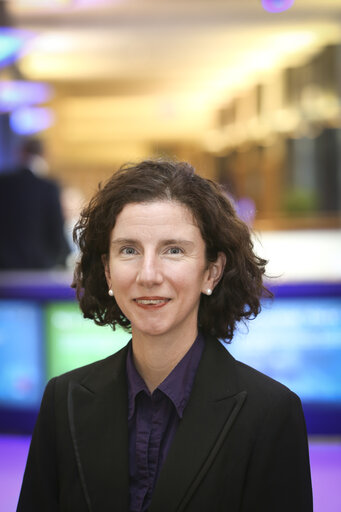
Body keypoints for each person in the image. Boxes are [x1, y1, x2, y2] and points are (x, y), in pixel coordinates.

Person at [17, 160, 313, 512]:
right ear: (108, 271)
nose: (148, 274)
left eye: (173, 250)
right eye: (129, 250)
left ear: (211, 272)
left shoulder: (270, 413)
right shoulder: (62, 400)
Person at [0, 138, 70, 269]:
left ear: (21, 153)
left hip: (4, 267)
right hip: (38, 266)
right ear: (44, 155)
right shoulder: (48, 187)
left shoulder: (3, 183)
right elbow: (56, 228)